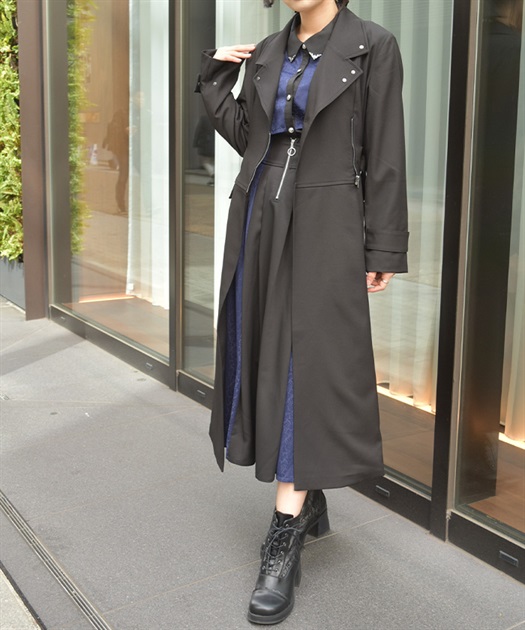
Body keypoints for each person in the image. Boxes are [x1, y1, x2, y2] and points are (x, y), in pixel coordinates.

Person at [196, 0, 408, 624]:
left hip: (326, 224)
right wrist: (216, 77)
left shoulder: (371, 44)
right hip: (259, 217)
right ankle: (306, 497)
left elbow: (385, 151)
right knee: (266, 354)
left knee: (302, 364)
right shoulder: (269, 50)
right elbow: (249, 138)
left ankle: (284, 532)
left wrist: (383, 246)